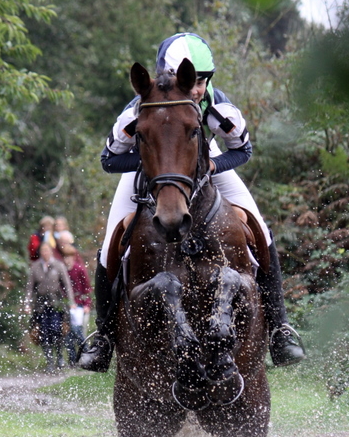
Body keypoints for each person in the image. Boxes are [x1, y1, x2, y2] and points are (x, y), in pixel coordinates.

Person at [79, 32, 305, 373]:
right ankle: (104, 337)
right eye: (192, 80)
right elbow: (109, 161)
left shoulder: (218, 109)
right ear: (164, 76)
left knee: (261, 229)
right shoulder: (134, 114)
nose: (198, 88)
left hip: (203, 160)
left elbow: (242, 150)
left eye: (202, 80)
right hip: (151, 163)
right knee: (112, 240)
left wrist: (211, 165)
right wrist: (157, 165)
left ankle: (279, 328)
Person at [25, 242, 76, 372]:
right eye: (43, 251)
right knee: (43, 332)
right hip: (40, 305)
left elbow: (67, 285)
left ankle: (59, 356)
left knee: (57, 330)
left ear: (51, 252)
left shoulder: (58, 265)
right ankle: (49, 361)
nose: (45, 253)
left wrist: (71, 301)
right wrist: (27, 304)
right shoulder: (35, 267)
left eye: (47, 250)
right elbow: (30, 288)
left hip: (56, 304)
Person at [62, 245, 93, 366]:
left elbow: (86, 288)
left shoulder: (79, 269)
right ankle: (73, 360)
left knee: (77, 330)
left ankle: (86, 353)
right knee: (68, 334)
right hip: (67, 306)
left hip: (79, 305)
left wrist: (87, 304)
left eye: (69, 257)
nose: (67, 260)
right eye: (65, 257)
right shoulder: (63, 270)